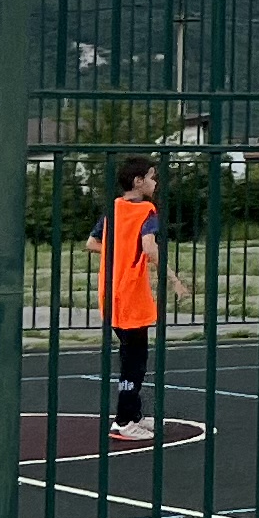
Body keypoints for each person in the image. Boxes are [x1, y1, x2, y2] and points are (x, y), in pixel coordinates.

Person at [93, 152, 163, 440]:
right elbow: (149, 247)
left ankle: (133, 414)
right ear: (138, 181)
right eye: (152, 177)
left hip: (111, 294)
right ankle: (123, 421)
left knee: (130, 358)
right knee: (134, 364)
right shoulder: (147, 210)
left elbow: (92, 242)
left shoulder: (114, 208)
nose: (155, 183)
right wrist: (169, 275)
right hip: (132, 295)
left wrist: (120, 253)